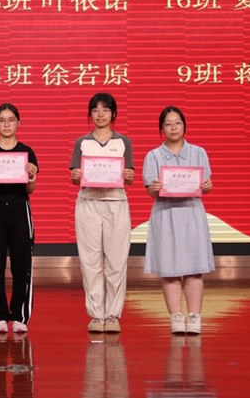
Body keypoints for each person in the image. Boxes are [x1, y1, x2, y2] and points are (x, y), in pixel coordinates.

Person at [142, 106, 214, 335]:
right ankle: (175, 317)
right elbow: (150, 190)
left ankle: (194, 317)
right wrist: (154, 188)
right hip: (165, 213)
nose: (173, 127)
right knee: (169, 268)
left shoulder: (199, 152)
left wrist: (207, 186)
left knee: (194, 268)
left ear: (184, 126)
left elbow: (205, 185)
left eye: (178, 123)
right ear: (161, 129)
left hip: (191, 212)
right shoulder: (153, 156)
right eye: (168, 124)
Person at [69, 92, 134, 334]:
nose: (100, 114)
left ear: (113, 113)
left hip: (116, 203)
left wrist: (129, 176)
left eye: (105, 109)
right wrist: (76, 176)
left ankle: (113, 315)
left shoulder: (123, 142)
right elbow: (75, 177)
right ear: (90, 114)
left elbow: (129, 177)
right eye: (95, 110)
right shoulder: (82, 142)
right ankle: (97, 315)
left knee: (117, 261)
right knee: (90, 262)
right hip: (88, 203)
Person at [0, 103, 38, 334]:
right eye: (2, 120)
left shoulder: (27, 152)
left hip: (20, 208)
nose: (6, 124)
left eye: (11, 120)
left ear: (18, 123)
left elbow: (30, 189)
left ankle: (20, 315)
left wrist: (31, 175)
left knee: (22, 265)